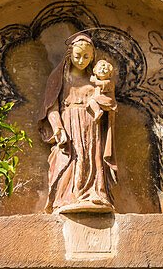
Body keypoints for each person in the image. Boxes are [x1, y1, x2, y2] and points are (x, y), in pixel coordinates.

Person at [37, 33, 117, 214]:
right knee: (72, 159)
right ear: (69, 55)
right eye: (77, 56)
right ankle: (68, 197)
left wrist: (105, 105)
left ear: (93, 57)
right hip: (70, 124)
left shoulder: (96, 79)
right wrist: (57, 127)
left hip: (93, 125)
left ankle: (96, 193)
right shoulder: (60, 78)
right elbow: (51, 107)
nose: (81, 60)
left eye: (86, 56)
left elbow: (109, 102)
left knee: (93, 157)